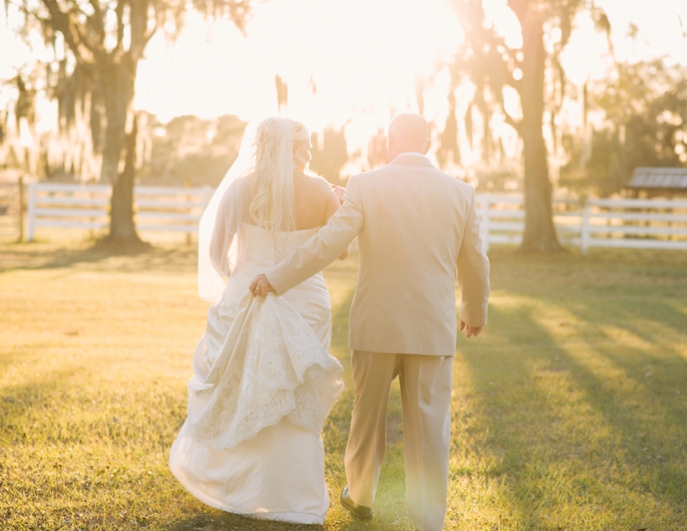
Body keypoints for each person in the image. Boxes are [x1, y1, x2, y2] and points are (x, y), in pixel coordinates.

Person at [251, 112, 490, 531]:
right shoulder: (461, 192)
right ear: (429, 144)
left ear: (388, 144)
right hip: (432, 329)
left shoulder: (365, 185)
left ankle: (360, 497)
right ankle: (428, 520)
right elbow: (475, 260)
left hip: (376, 324)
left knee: (368, 418)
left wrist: (276, 277)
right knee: (430, 428)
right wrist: (474, 310)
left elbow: (327, 244)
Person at [169, 117, 346, 524]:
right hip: (306, 301)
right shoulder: (321, 190)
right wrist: (337, 201)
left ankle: (237, 487)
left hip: (246, 292)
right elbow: (340, 253)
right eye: (307, 146)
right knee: (296, 395)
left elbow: (215, 251)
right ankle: (294, 494)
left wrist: (243, 274)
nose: (311, 153)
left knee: (242, 388)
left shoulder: (239, 187)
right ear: (293, 148)